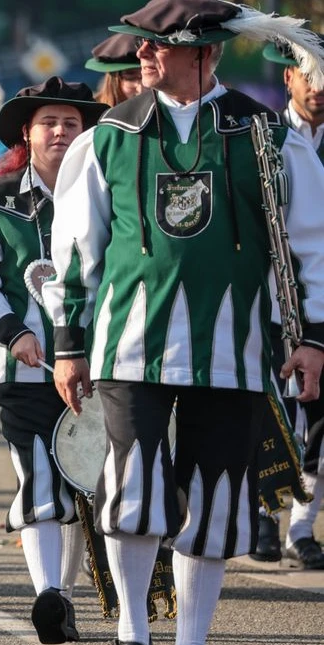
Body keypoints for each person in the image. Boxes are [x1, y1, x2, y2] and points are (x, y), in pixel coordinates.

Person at [44, 2, 324, 644]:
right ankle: (134, 631)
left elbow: (314, 247)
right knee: (132, 491)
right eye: (139, 46)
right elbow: (75, 250)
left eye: (155, 46)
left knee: (216, 498)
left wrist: (312, 339)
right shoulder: (105, 137)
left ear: (204, 53)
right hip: (128, 348)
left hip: (237, 348)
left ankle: (192, 638)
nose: (140, 55)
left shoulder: (272, 137)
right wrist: (69, 344)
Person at [0, 77, 106, 644]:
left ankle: (59, 596)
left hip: (94, 366)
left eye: (71, 122)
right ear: (27, 131)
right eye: (50, 122)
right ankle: (48, 596)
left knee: (81, 484)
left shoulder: (107, 189)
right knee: (39, 475)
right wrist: (13, 332)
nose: (61, 131)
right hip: (22, 368)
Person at [251, 34, 324, 569]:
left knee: (320, 422)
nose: (318, 89)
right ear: (288, 79)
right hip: (271, 301)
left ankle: (303, 528)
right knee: (266, 409)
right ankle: (264, 518)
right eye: (309, 76)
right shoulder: (265, 139)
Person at [87, 34, 144, 107]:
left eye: (149, 74)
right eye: (131, 77)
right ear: (113, 80)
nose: (142, 88)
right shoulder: (92, 114)